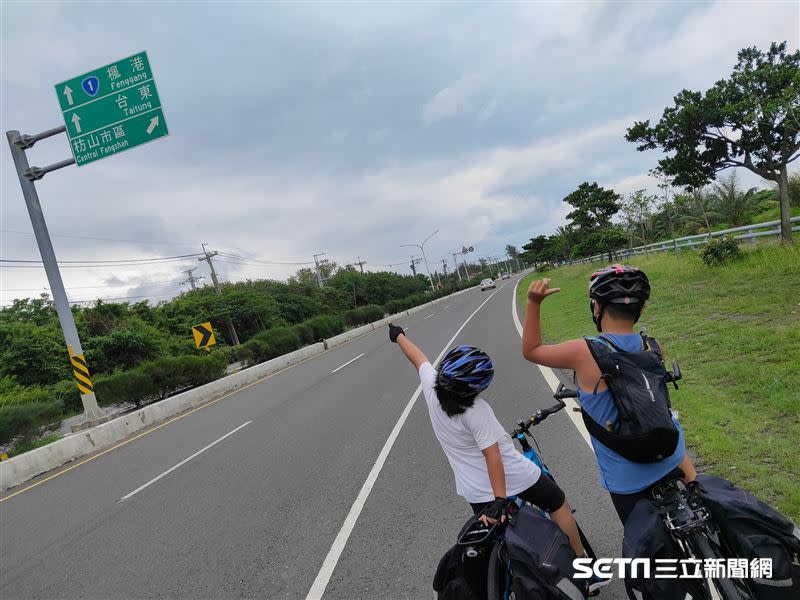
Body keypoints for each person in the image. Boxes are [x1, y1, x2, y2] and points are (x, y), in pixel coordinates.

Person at [387, 323, 592, 559]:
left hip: (474, 490)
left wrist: (398, 336)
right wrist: (500, 499)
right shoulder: (476, 411)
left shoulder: (432, 386)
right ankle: (582, 570)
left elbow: (418, 358)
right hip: (511, 476)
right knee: (557, 501)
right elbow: (493, 455)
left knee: (498, 535)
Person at [521, 265, 697, 525]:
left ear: (596, 307)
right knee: (703, 502)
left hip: (626, 477)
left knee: (646, 551)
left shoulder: (582, 351)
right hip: (672, 453)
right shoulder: (653, 346)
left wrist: (533, 302)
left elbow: (532, 350)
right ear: (641, 309)